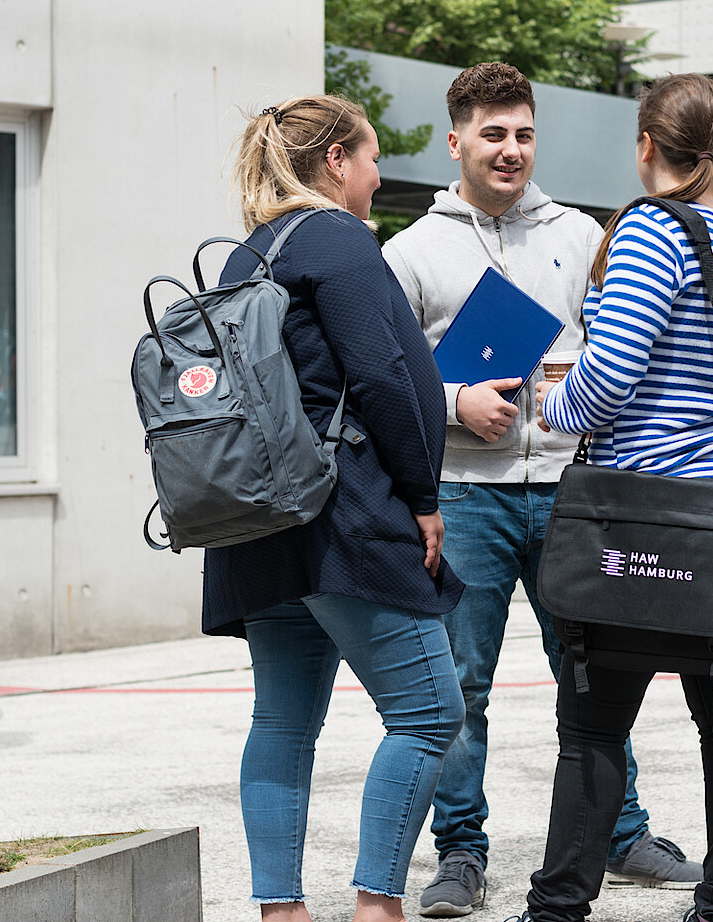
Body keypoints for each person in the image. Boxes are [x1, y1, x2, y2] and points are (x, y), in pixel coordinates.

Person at [382, 62, 702, 913]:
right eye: (492, 134)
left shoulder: (588, 235)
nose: (511, 149)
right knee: (461, 684)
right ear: (455, 142)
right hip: (465, 493)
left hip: (570, 487)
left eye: (523, 133)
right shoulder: (408, 252)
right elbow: (380, 380)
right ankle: (461, 852)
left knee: (596, 671)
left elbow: (623, 348)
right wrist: (454, 401)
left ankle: (622, 834)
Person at [523, 73, 713, 922]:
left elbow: (602, 389)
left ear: (645, 147)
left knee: (593, 729)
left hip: (640, 514)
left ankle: (558, 909)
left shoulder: (645, 233)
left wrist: (541, 402)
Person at [209, 95, 464, 922]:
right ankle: (376, 905)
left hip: (259, 522)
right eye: (371, 156)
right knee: (429, 713)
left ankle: (281, 910)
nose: (377, 174)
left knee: (282, 720)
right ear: (334, 162)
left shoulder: (245, 255)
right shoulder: (338, 240)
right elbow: (386, 375)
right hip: (341, 514)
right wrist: (423, 499)